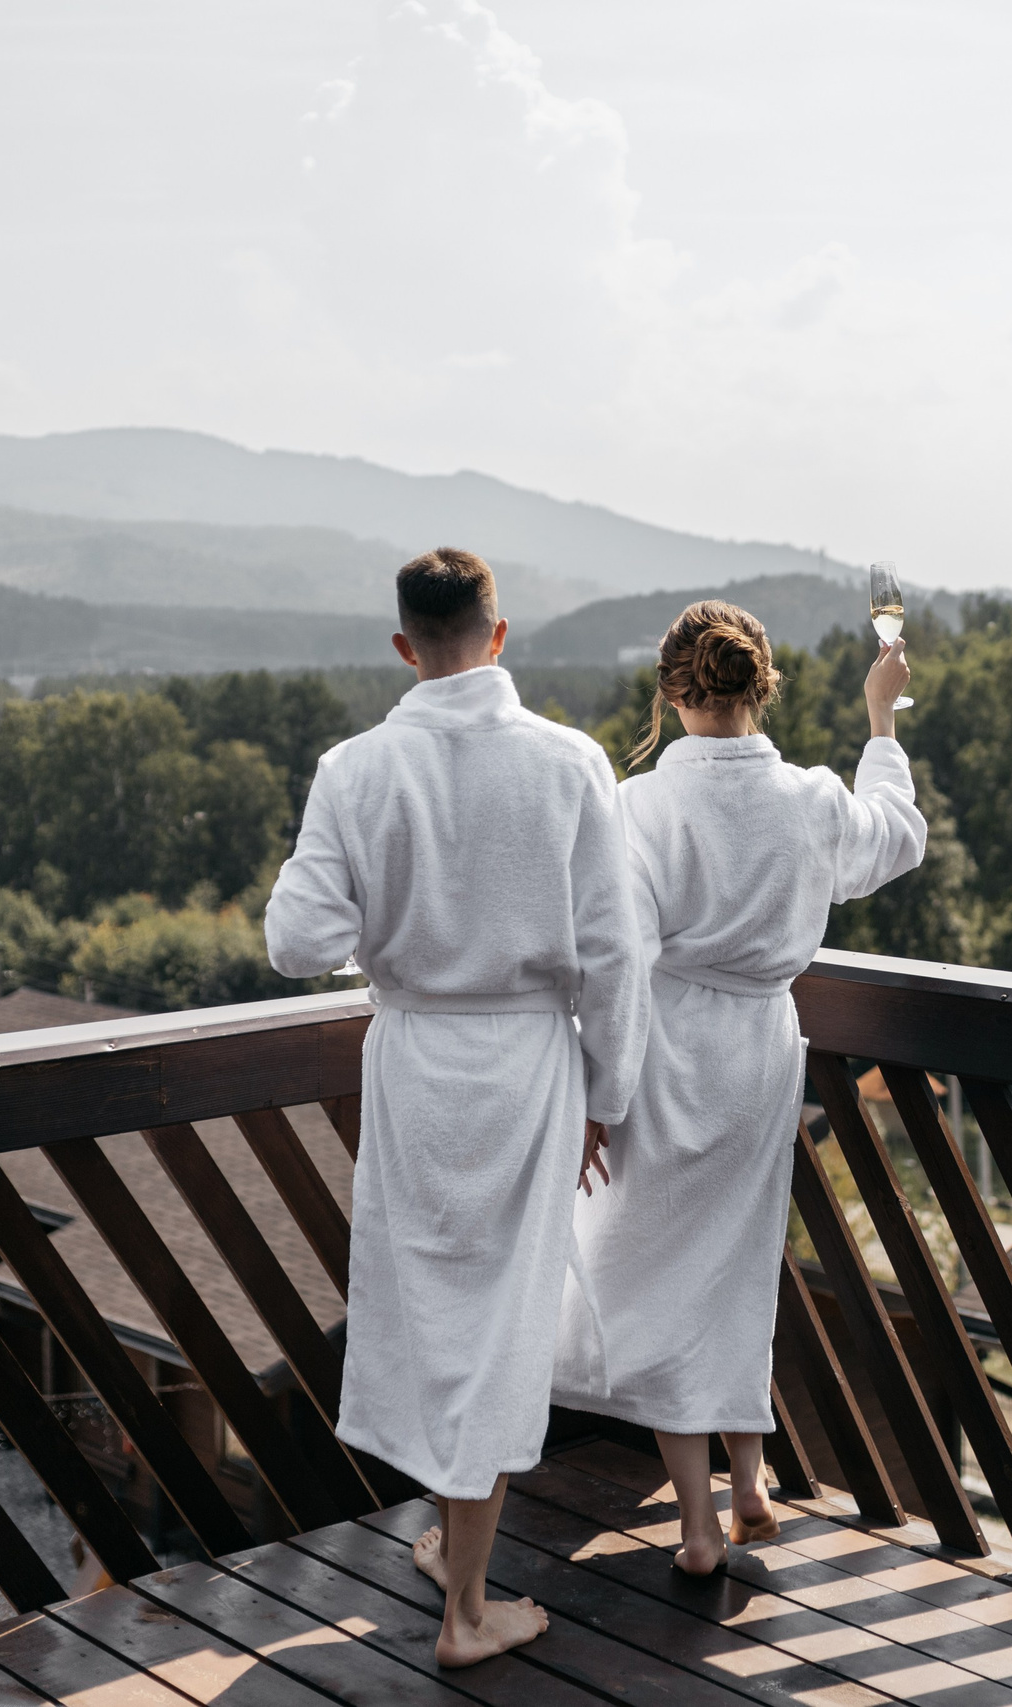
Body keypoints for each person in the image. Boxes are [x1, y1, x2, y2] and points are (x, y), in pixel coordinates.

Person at [265, 548, 649, 1665]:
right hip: (530, 1067)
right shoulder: (571, 764)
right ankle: (467, 1611)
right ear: (498, 632)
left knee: (427, 1306)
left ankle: (455, 1553)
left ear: (402, 646)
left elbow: (298, 943)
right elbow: (614, 957)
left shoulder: (354, 768)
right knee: (503, 1320)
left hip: (417, 1066)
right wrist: (606, 1094)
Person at [551, 599, 923, 1575]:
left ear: (672, 691)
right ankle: (748, 1482)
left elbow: (615, 957)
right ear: (763, 684)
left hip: (666, 1050)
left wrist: (595, 1088)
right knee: (731, 1263)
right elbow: (896, 838)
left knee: (650, 1276)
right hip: (763, 1050)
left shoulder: (640, 810)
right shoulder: (807, 801)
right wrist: (880, 724)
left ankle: (698, 1526)